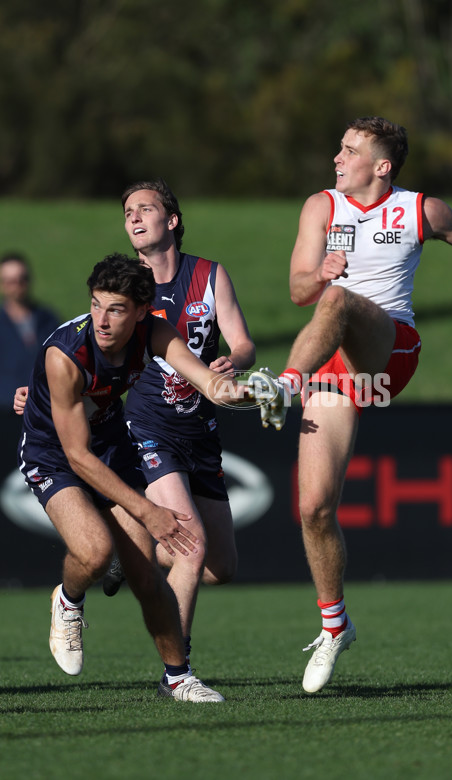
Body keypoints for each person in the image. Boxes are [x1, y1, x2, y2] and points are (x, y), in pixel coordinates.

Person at [249, 116, 452, 694]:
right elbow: (299, 290)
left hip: (390, 350)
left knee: (340, 301)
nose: (336, 156)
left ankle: (282, 385)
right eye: (339, 146)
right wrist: (318, 272)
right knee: (313, 509)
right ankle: (335, 624)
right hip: (335, 363)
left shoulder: (420, 209)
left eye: (350, 150)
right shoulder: (320, 207)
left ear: (382, 167)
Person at [16, 253, 251, 702]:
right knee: (95, 552)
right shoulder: (66, 355)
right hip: (55, 456)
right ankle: (68, 600)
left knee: (145, 574)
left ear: (142, 312)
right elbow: (77, 458)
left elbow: (207, 382)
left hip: (111, 445)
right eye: (96, 305)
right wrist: (148, 511)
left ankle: (177, 677)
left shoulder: (156, 333)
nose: (102, 320)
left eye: (116, 309)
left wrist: (249, 392)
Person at [107, 178, 256, 685]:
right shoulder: (127, 285)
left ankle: (128, 549)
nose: (133, 217)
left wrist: (233, 362)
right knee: (189, 544)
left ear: (171, 220)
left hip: (201, 431)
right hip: (148, 427)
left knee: (221, 567)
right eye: (127, 212)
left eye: (144, 208)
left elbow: (243, 345)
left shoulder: (210, 276)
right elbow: (92, 345)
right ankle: (179, 672)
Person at [0, 252, 60, 454]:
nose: (16, 286)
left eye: (21, 280)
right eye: (9, 281)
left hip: (43, 411)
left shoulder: (48, 318)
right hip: (6, 415)